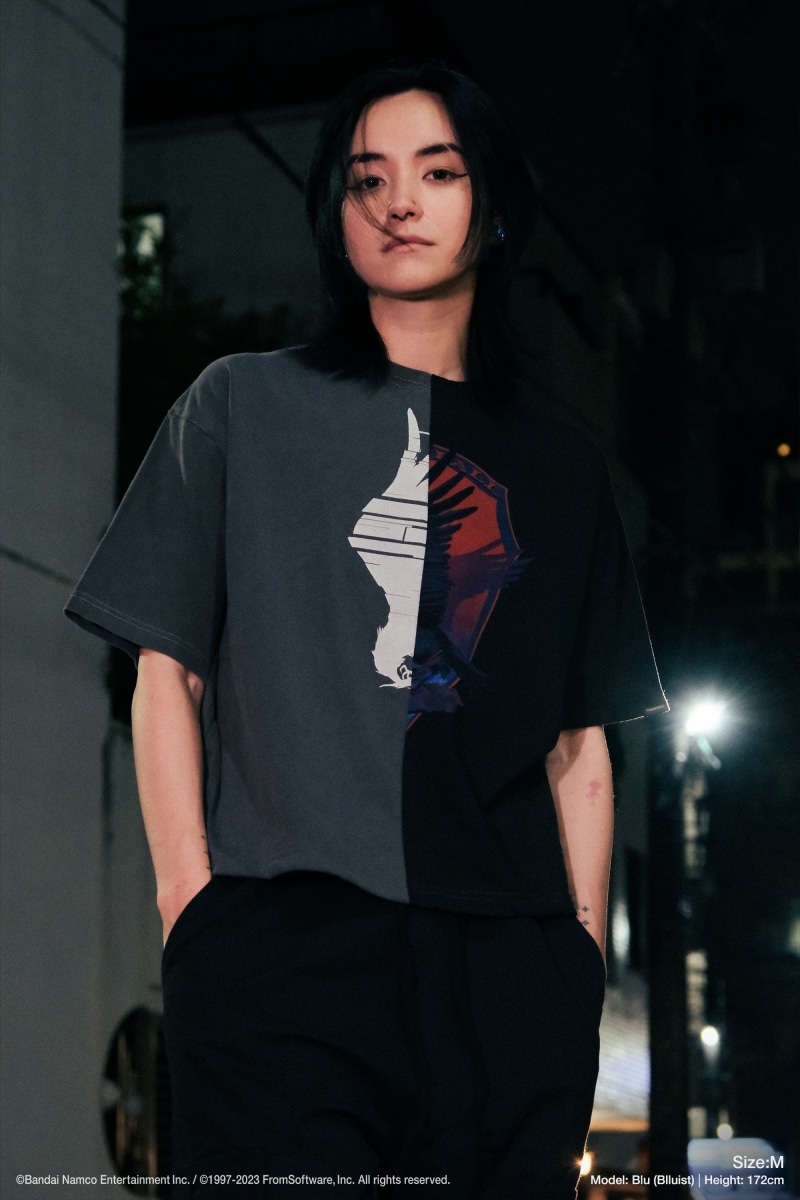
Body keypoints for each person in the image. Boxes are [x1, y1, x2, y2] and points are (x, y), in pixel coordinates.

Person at [66, 63, 667, 1199]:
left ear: (494, 209)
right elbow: (165, 674)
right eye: (366, 178)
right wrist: (188, 905)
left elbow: (578, 748)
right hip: (277, 950)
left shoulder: (563, 465)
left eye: (437, 173)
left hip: (508, 971)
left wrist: (577, 960)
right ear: (335, 214)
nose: (398, 202)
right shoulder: (238, 405)